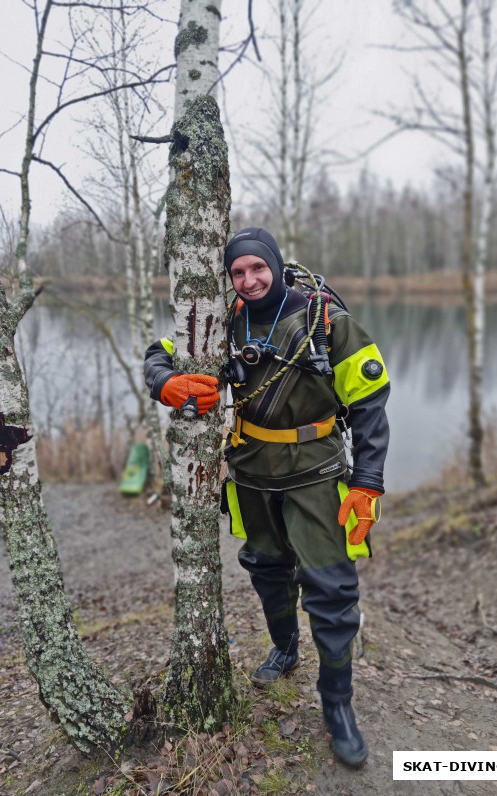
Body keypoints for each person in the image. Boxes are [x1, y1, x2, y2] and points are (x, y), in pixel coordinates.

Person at [144, 228, 390, 767]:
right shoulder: (222, 321)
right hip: (251, 473)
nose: (249, 280)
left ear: (276, 266)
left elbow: (371, 407)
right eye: (237, 272)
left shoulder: (326, 321)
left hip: (318, 473)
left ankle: (338, 705)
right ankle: (285, 647)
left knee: (330, 587)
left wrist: (368, 483)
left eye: (258, 268)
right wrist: (165, 382)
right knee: (264, 566)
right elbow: (159, 351)